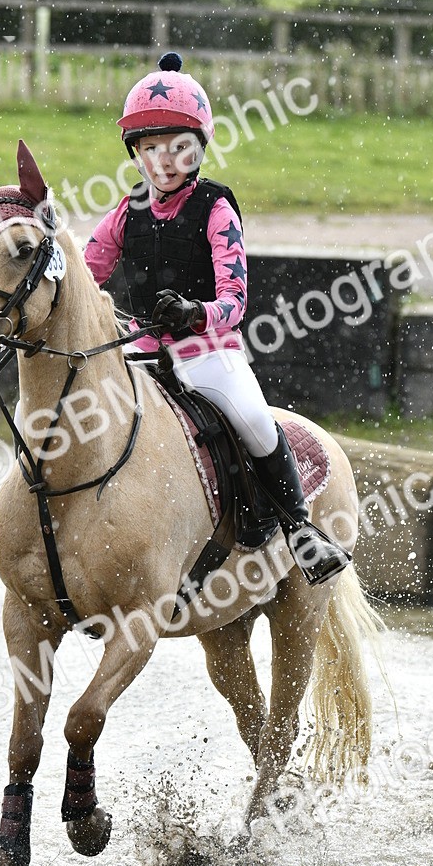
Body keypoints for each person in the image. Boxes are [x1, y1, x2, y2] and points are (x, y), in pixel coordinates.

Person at [81, 51, 350, 585]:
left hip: (208, 353)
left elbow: (235, 301)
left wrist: (192, 312)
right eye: (150, 148)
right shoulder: (123, 211)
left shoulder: (216, 208)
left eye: (176, 148)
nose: (162, 160)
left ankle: (299, 530)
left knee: (252, 418)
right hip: (138, 352)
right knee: (70, 408)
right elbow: (87, 277)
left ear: (198, 149)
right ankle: (22, 513)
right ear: (135, 153)